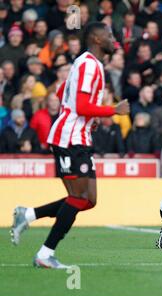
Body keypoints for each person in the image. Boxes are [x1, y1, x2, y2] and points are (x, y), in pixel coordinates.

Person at [10, 22, 130, 269]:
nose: (113, 38)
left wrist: (91, 118)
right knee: (78, 197)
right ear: (96, 39)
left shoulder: (89, 64)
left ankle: (28, 214)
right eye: (109, 35)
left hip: (80, 137)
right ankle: (44, 254)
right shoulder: (88, 64)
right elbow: (81, 105)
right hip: (69, 139)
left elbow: (66, 90)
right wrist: (112, 111)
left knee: (88, 199)